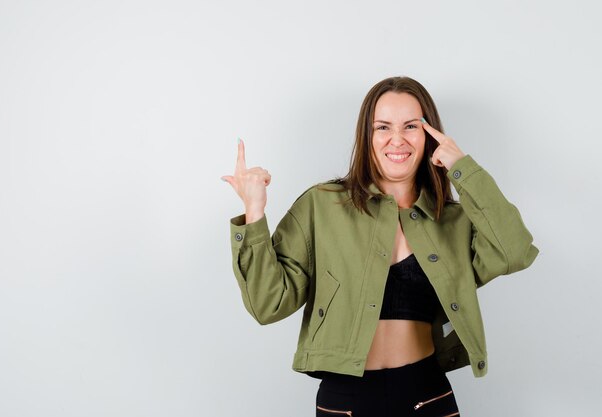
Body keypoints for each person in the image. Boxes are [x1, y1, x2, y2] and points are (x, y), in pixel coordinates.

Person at [221, 76, 539, 417]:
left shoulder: (453, 220)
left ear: (429, 135)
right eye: (383, 127)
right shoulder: (321, 205)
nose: (397, 140)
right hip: (346, 402)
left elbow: (514, 251)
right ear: (367, 136)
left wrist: (463, 169)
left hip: (427, 395)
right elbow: (268, 304)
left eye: (411, 126)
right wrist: (254, 213)